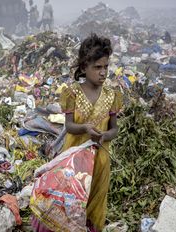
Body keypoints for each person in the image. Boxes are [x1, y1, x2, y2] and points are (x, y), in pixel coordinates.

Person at [32, 33, 122, 231]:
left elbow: (115, 128)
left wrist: (104, 136)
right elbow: (70, 126)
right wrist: (85, 128)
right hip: (74, 161)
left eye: (106, 67)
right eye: (97, 67)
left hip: (100, 161)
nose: (103, 72)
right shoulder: (72, 93)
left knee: (95, 204)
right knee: (70, 203)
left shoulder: (112, 95)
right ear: (84, 68)